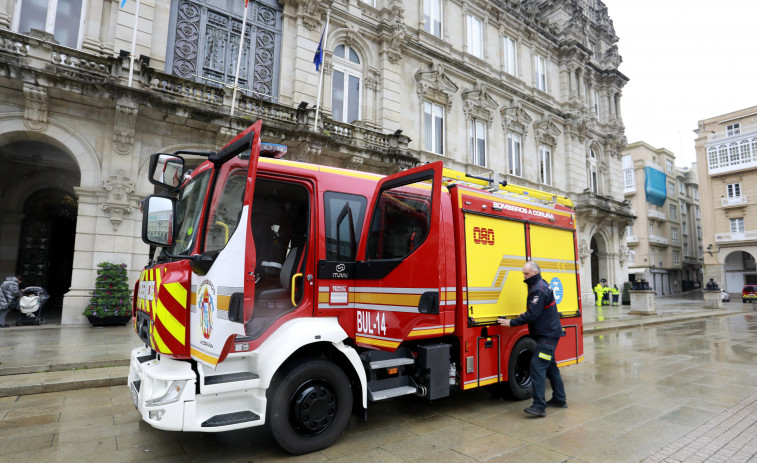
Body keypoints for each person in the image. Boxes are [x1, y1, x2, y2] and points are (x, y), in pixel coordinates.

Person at [498, 261, 567, 417]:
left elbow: (533, 314)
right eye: (523, 273)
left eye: (526, 274)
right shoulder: (540, 285)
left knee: (537, 366)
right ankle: (559, 399)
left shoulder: (538, 289)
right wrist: (526, 313)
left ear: (535, 273)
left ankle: (539, 406)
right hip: (548, 333)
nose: (524, 276)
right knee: (550, 366)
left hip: (547, 336)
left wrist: (512, 322)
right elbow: (537, 309)